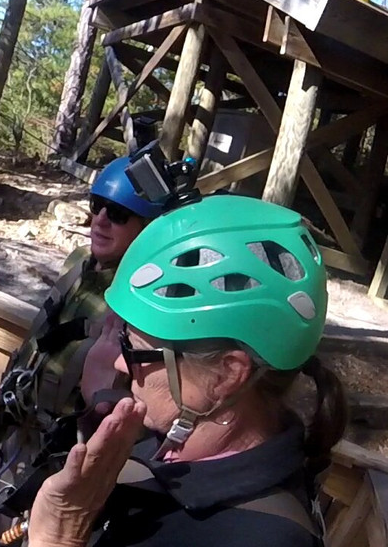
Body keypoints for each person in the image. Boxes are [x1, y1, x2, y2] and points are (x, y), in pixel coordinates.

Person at [25, 192, 348, 547]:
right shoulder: (171, 447)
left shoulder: (262, 538)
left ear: (227, 375)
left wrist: (58, 538)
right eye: (123, 342)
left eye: (136, 351)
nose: (119, 362)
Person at [0, 154, 164, 513]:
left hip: (66, 449)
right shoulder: (79, 262)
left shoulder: (141, 299)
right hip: (21, 421)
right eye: (98, 206)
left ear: (147, 230)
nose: (101, 220)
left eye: (119, 214)